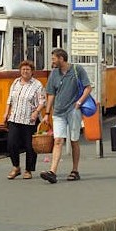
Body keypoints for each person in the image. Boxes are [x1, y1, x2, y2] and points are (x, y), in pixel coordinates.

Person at [41, 48, 91, 183]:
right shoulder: (54, 74)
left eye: (54, 59)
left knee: (74, 141)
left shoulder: (77, 70)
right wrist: (47, 113)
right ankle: (52, 171)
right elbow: (51, 93)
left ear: (61, 59)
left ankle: (75, 170)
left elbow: (88, 87)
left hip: (73, 110)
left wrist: (79, 102)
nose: (52, 61)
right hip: (58, 112)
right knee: (58, 141)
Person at [3, 60, 46, 179]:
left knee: (30, 146)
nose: (25, 71)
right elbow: (9, 99)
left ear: (32, 71)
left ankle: (28, 170)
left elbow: (42, 101)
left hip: (30, 119)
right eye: (23, 69)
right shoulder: (15, 82)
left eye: (28, 69)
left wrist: (36, 112)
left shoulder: (37, 85)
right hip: (15, 118)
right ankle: (16, 167)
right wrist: (6, 113)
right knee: (11, 143)